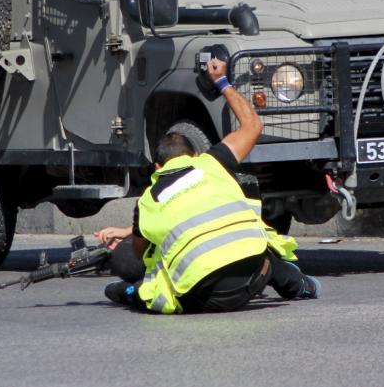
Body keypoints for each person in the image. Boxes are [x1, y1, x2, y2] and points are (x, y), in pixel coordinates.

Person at [95, 54, 321, 312]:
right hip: (253, 278)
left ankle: (128, 292)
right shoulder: (212, 163)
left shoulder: (149, 199)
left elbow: (140, 250)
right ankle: (303, 286)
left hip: (204, 299)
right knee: (265, 255)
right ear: (193, 155)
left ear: (157, 167)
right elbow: (253, 125)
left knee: (153, 285)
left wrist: (132, 234)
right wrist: (222, 82)